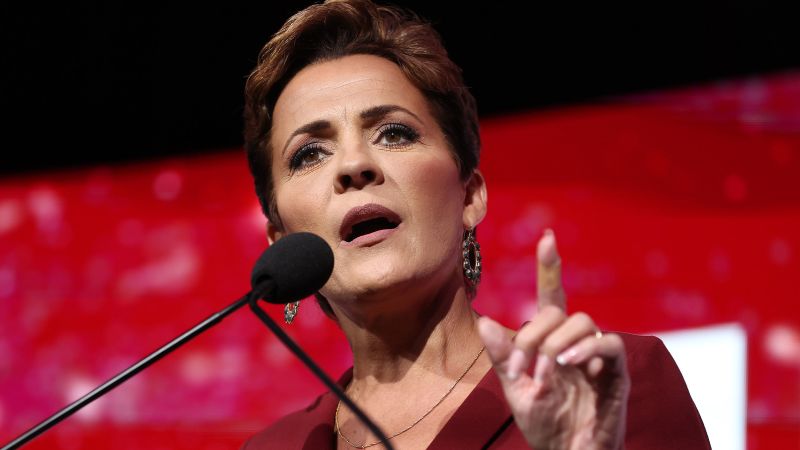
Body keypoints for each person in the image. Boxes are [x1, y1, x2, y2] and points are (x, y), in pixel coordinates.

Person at [240, 0, 711, 448]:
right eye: (309, 155)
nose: (353, 165)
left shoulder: (605, 387)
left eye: (394, 133)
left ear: (469, 196)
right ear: (282, 241)